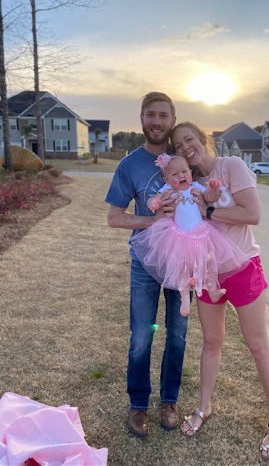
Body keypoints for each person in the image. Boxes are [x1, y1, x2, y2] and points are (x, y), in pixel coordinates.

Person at [171, 122, 269, 461]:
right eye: (178, 145)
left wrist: (208, 211)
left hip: (243, 269)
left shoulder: (231, 166)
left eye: (189, 139)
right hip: (208, 274)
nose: (185, 147)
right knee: (211, 342)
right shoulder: (186, 184)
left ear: (203, 139)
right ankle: (204, 407)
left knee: (257, 345)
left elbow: (252, 214)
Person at [105, 92, 188, 438]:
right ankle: (138, 405)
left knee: (178, 336)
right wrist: (152, 222)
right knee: (141, 337)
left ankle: (169, 402)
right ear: (142, 118)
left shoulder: (185, 160)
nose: (156, 121)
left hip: (182, 263)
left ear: (172, 119)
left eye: (163, 115)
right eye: (150, 114)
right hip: (145, 263)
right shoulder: (130, 165)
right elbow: (114, 218)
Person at [131, 153, 250, 316]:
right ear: (166, 180)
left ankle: (212, 288)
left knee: (207, 262)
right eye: (175, 174)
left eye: (184, 172)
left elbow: (209, 197)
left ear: (190, 173)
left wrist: (213, 189)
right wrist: (153, 202)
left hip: (201, 233)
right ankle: (185, 297)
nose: (181, 176)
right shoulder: (168, 190)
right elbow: (155, 197)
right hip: (179, 236)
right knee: (182, 268)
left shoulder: (195, 187)